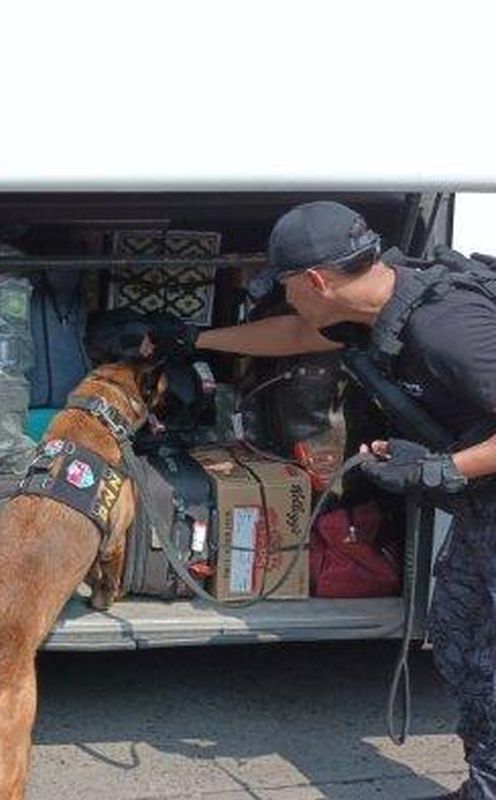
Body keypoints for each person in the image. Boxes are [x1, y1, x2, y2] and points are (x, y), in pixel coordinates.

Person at [150, 200, 496, 800]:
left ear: (314, 281)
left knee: (485, 656)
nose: (284, 299)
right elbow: (298, 331)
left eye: (284, 287)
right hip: (482, 507)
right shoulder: (380, 302)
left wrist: (444, 469)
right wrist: (191, 339)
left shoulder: (445, 327)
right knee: (460, 636)